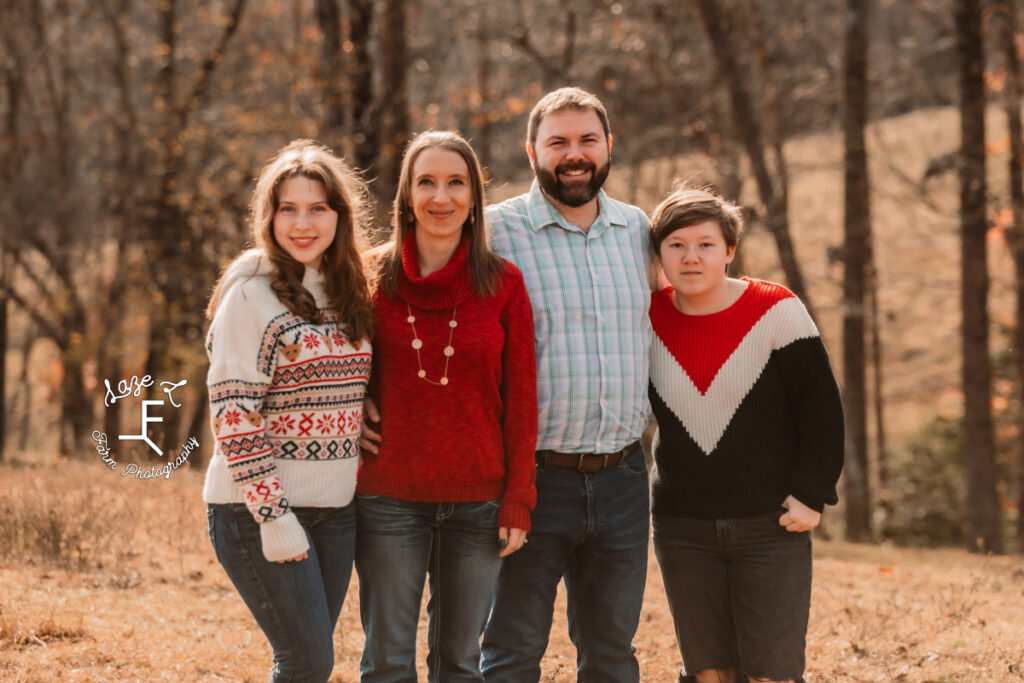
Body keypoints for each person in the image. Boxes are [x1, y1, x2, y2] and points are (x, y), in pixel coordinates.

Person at [480, 87, 654, 683]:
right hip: (530, 479)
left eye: (586, 141)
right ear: (532, 151)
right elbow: (398, 272)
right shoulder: (495, 234)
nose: (573, 155)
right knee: (509, 652)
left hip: (626, 479)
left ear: (608, 146)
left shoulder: (640, 232)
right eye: (558, 142)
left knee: (612, 656)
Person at [356, 130, 538, 683]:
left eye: (456, 182)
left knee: (460, 664)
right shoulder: (367, 277)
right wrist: (353, 404)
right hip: (388, 498)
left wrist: (517, 501)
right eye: (426, 182)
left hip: (478, 503)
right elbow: (334, 361)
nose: (442, 197)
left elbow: (523, 403)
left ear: (475, 196)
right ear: (407, 197)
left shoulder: (505, 284)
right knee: (386, 663)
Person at [647, 185, 844, 683]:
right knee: (710, 673)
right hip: (681, 527)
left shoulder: (776, 310)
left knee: (771, 673)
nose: (691, 257)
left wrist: (811, 494)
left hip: (770, 524)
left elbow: (821, 408)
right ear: (659, 255)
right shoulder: (646, 317)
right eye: (676, 246)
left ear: (729, 250)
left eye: (706, 244)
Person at [203, 139, 374, 682]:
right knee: (306, 663)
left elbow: (333, 375)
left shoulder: (348, 292)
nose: (303, 223)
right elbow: (234, 415)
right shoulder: (251, 296)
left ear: (339, 216)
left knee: (309, 664)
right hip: (255, 510)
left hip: (336, 511)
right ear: (269, 217)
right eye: (288, 209)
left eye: (318, 208)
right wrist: (273, 517)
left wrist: (358, 408)